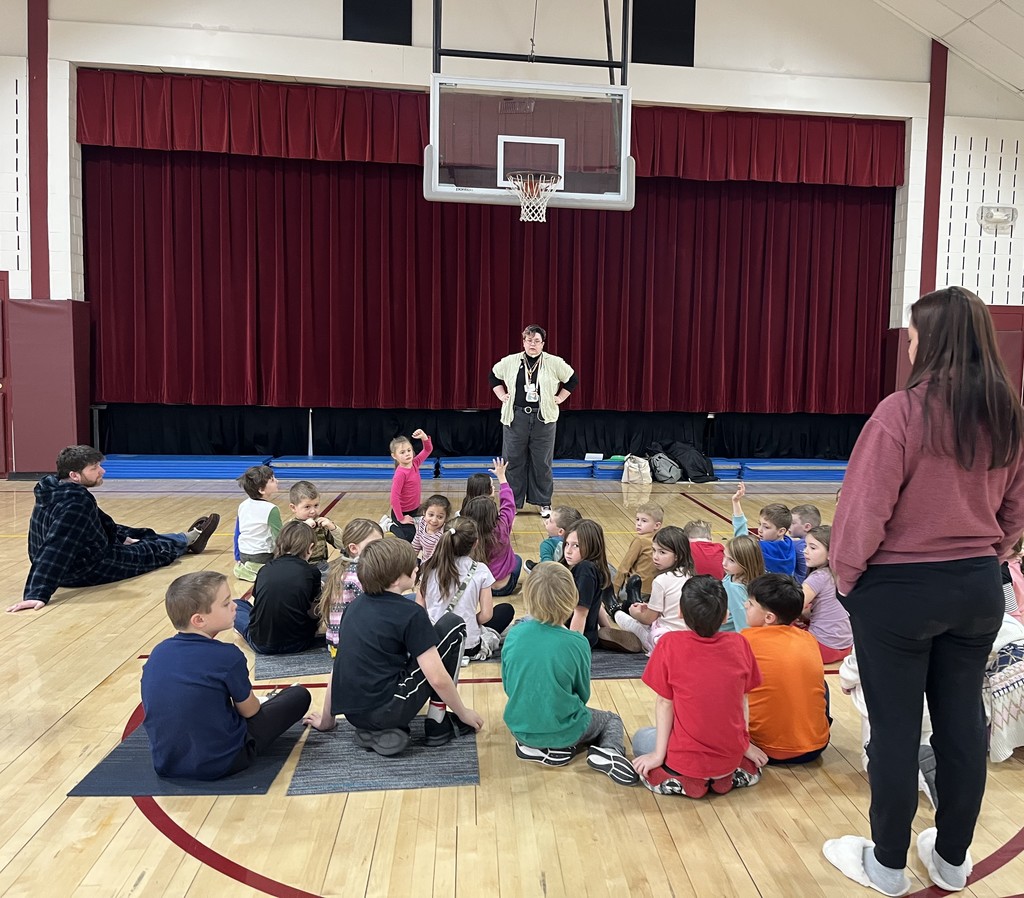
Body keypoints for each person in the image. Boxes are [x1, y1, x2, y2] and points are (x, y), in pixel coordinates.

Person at [824, 287, 1024, 896]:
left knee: (895, 728)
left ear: (931, 341)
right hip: (976, 587)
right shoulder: (1009, 414)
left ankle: (886, 865)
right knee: (964, 721)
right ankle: (953, 860)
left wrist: (847, 580)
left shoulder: (901, 413)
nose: (908, 347)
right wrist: (990, 557)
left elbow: (861, 515)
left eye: (911, 337)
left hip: (899, 592)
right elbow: (1015, 514)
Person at [305, 538, 484, 754]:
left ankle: (374, 731)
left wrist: (327, 720)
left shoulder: (353, 607)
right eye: (412, 566)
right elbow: (437, 678)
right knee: (453, 625)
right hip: (388, 709)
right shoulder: (412, 614)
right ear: (397, 579)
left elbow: (339, 667)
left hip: (353, 714)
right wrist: (464, 713)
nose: (417, 567)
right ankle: (437, 723)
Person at [141, 571, 311, 779]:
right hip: (225, 760)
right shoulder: (226, 655)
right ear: (199, 620)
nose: (234, 606)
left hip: (167, 762)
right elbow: (250, 711)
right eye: (226, 603)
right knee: (299, 696)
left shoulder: (158, 652)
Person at [9, 445, 219, 613]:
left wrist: (122, 537)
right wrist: (37, 593)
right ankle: (187, 541)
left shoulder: (55, 488)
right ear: (74, 475)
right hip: (81, 569)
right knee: (151, 551)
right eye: (94, 468)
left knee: (137, 535)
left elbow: (100, 522)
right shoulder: (74, 505)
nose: (102, 471)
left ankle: (184, 539)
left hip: (79, 555)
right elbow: (56, 549)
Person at [500, 562, 639, 785]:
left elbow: (509, 685)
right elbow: (582, 694)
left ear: (529, 597)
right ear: (572, 598)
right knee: (611, 720)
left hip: (519, 727)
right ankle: (610, 752)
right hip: (564, 729)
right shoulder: (577, 643)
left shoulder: (514, 635)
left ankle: (535, 747)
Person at [630, 575, 767, 797]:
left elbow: (665, 703)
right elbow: (742, 700)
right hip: (729, 756)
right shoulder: (740, 644)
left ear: (680, 613)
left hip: (684, 759)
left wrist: (657, 754)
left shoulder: (669, 644)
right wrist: (745, 744)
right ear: (725, 616)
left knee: (641, 738)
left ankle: (678, 777)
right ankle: (726, 775)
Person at [490, 325, 578, 517]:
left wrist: (560, 398)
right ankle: (511, 503)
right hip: (516, 417)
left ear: (542, 344)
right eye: (529, 340)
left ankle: (544, 502)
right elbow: (493, 376)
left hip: (543, 418)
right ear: (523, 342)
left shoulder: (554, 362)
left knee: (542, 462)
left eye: (537, 341)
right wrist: (502, 395)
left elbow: (572, 379)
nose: (532, 344)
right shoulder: (511, 361)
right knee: (512, 460)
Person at [742, 574, 831, 764]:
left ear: (769, 617)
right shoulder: (808, 638)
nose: (744, 606)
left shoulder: (744, 641)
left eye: (750, 603)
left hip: (764, 748)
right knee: (817, 683)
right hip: (816, 747)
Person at [417, 518, 514, 661]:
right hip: (468, 646)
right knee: (506, 610)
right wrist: (470, 621)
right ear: (475, 543)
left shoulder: (428, 567)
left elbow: (419, 608)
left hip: (435, 644)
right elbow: (487, 615)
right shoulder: (480, 570)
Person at [234, 521, 322, 655]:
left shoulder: (265, 569)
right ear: (310, 548)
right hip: (300, 643)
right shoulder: (312, 572)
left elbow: (257, 602)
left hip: (262, 644)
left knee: (237, 605)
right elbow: (313, 612)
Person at [564, 519, 643, 653]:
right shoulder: (594, 567)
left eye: (576, 545)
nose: (568, 550)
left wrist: (573, 649)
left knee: (526, 624)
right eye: (567, 544)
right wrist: (607, 631)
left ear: (592, 545)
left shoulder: (585, 570)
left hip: (574, 636)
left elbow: (580, 613)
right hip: (588, 636)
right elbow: (597, 603)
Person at [615, 526, 696, 653]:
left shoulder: (662, 580)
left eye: (662, 552)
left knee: (628, 620)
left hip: (663, 643)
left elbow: (648, 619)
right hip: (688, 640)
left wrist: (634, 613)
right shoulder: (691, 576)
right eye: (653, 550)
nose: (655, 557)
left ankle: (614, 609)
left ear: (678, 555)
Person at [319, 519, 383, 657]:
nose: (380, 550)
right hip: (351, 646)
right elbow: (376, 610)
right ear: (354, 548)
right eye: (373, 545)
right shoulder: (359, 575)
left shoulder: (342, 566)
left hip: (336, 642)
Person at [461, 458, 522, 597]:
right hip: (503, 588)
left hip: (477, 589)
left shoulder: (463, 525)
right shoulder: (502, 525)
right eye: (492, 486)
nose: (494, 488)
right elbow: (509, 505)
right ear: (487, 493)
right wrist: (502, 477)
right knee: (516, 559)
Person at [801, 525, 853, 663]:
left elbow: (793, 606)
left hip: (822, 648)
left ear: (831, 554)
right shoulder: (845, 574)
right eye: (805, 546)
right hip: (846, 646)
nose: (805, 551)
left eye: (812, 548)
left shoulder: (819, 576)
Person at [732, 483, 796, 575]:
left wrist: (736, 502)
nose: (760, 530)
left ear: (781, 531)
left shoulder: (761, 548)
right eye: (760, 524)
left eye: (766, 527)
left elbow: (741, 539)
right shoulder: (789, 544)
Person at [233, 465, 281, 582]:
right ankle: (257, 569)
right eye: (272, 480)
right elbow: (280, 536)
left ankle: (243, 566)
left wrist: (237, 556)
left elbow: (237, 532)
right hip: (262, 555)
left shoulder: (243, 505)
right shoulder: (271, 509)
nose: (277, 481)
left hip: (244, 553)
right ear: (261, 489)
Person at [610, 503, 663, 609]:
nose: (638, 524)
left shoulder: (640, 540)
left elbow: (624, 567)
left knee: (607, 568)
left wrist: (614, 592)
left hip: (635, 592)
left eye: (644, 521)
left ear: (657, 525)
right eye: (637, 519)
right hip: (652, 592)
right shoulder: (660, 540)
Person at [287, 480, 342, 575]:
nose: (313, 511)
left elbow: (342, 545)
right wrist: (303, 528)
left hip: (321, 566)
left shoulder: (321, 524)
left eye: (316, 505)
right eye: (307, 507)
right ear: (293, 508)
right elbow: (288, 553)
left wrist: (333, 528)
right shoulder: (290, 527)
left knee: (348, 560)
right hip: (299, 568)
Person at [387, 429, 433, 542]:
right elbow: (394, 498)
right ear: (394, 456)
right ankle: (389, 525)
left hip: (416, 509)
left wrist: (424, 437)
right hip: (402, 512)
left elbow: (428, 450)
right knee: (410, 538)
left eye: (409, 450)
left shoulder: (415, 463)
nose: (407, 454)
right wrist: (401, 518)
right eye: (402, 452)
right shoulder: (400, 473)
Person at [720, 535, 766, 632]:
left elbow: (743, 626)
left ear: (745, 562)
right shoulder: (734, 574)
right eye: (724, 555)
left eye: (731, 560)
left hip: (725, 634)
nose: (724, 563)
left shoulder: (736, 589)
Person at [526, 505, 581, 571]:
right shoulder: (582, 542)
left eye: (550, 520)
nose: (546, 521)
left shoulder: (548, 544)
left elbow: (547, 569)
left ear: (560, 531)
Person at [412, 495, 451, 564]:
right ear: (424, 512)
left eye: (440, 517)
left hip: (437, 565)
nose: (434, 520)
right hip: (425, 562)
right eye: (431, 515)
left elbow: (437, 558)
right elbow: (416, 543)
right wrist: (411, 560)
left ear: (446, 518)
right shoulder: (422, 522)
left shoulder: (443, 533)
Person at [790, 504, 822, 584]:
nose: (788, 526)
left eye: (792, 523)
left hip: (799, 586)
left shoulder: (795, 545)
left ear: (807, 527)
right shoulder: (821, 542)